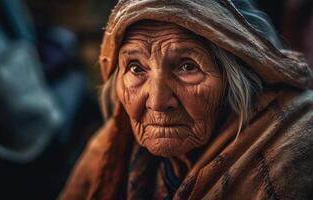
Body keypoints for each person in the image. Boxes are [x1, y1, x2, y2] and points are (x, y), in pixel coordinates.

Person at [60, 0, 313, 199]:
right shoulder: (112, 144)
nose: (157, 101)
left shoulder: (295, 147)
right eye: (136, 68)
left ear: (239, 79)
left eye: (187, 67)